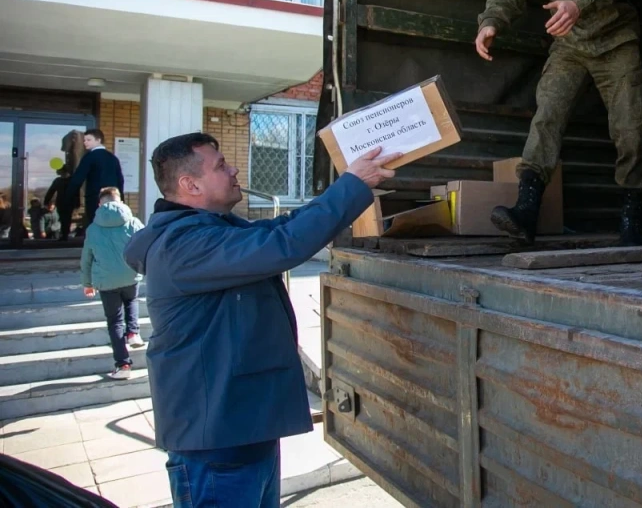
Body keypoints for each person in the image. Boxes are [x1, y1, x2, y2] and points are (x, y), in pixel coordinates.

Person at [123, 133, 399, 508]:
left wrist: (352, 187)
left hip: (240, 427)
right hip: (216, 441)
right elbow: (284, 245)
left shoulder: (214, 230)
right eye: (221, 165)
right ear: (191, 185)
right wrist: (351, 184)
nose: (234, 169)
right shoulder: (183, 245)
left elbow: (283, 228)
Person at [475, 0, 642, 246]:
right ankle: (526, 211)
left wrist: (579, 2)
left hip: (616, 40)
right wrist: (491, 22)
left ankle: (632, 216)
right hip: (570, 47)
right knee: (547, 116)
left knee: (630, 127)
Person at [81, 187, 145, 379]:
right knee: (131, 301)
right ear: (120, 201)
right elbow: (146, 245)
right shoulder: (134, 222)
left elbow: (86, 258)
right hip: (131, 274)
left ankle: (123, 365)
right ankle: (133, 332)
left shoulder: (93, 229)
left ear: (100, 204)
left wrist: (87, 283)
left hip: (106, 280)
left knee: (115, 321)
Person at [65, 129, 124, 229]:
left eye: (89, 140)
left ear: (98, 140)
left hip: (95, 200)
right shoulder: (113, 158)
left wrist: (68, 197)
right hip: (114, 199)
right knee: (112, 227)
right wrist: (121, 198)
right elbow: (120, 180)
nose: (85, 142)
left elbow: (78, 179)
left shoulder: (89, 157)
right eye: (84, 140)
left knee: (96, 228)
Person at [45, 166, 76, 240]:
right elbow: (76, 192)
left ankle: (64, 234)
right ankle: (65, 234)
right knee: (65, 218)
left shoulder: (59, 181)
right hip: (66, 202)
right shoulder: (71, 180)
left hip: (64, 201)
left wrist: (46, 201)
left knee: (64, 218)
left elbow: (51, 191)